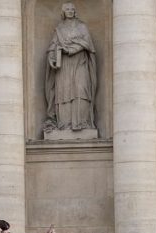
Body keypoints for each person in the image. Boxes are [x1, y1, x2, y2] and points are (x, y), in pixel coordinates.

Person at [44, 2, 97, 134]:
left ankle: (82, 122)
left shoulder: (82, 27)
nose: (70, 11)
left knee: (81, 88)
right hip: (64, 66)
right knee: (64, 91)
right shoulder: (59, 29)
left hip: (80, 63)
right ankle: (64, 124)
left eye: (72, 9)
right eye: (67, 9)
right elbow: (52, 46)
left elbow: (87, 44)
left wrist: (70, 50)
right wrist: (51, 57)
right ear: (63, 12)